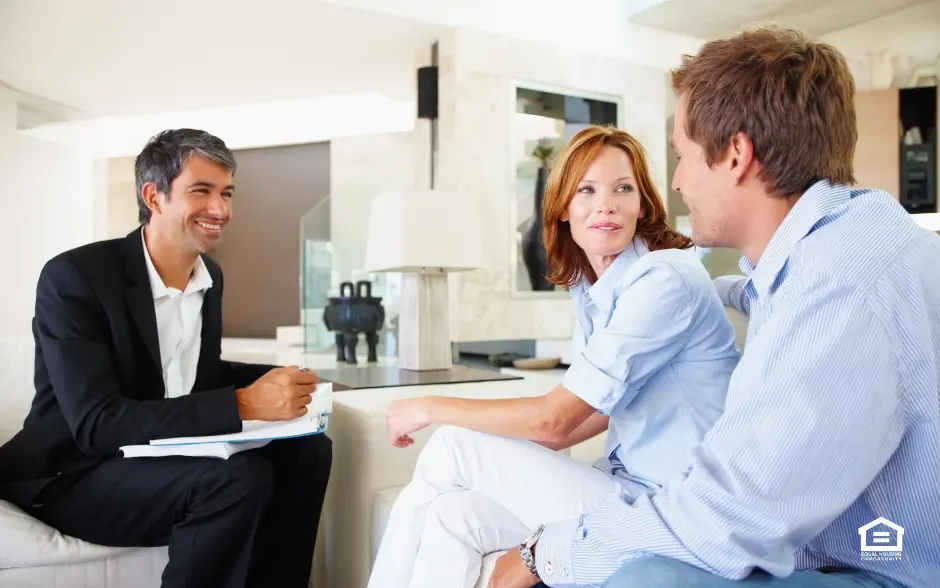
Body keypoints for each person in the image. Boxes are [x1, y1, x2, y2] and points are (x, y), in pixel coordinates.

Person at [486, 26, 940, 588]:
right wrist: (723, 292)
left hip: (882, 571)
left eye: (682, 155)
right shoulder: (854, 240)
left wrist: (544, 553)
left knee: (643, 579)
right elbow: (763, 298)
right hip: (841, 547)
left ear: (736, 156)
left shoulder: (838, 286)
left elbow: (729, 516)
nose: (676, 182)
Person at [367, 125, 741, 588]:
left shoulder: (663, 280)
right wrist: (512, 450)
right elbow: (586, 418)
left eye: (623, 189)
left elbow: (556, 422)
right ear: (563, 206)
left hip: (676, 510)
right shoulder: (595, 289)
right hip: (630, 488)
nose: (606, 204)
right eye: (587, 190)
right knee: (453, 514)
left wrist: (428, 407)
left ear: (642, 205)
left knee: (451, 445)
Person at [0, 129, 333, 588]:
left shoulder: (209, 276)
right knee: (236, 479)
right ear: (153, 196)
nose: (221, 209)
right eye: (202, 191)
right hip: (73, 471)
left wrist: (280, 378)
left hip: (158, 456)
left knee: (308, 450)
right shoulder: (75, 277)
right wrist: (244, 404)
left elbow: (198, 374)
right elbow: (97, 423)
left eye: (226, 193)